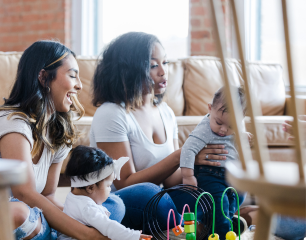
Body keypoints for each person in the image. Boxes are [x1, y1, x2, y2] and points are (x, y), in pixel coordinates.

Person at [0, 40, 124, 240]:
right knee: (23, 215)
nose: (80, 85)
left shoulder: (57, 130)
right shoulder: (12, 122)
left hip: (30, 216)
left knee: (112, 207)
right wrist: (88, 234)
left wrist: (85, 217)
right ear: (44, 77)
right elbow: (25, 194)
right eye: (73, 75)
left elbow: (47, 196)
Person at [89, 32, 230, 233]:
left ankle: (198, 224)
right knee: (151, 194)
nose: (163, 71)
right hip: (121, 202)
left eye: (165, 62)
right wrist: (180, 156)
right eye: (153, 65)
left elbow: (172, 180)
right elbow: (124, 184)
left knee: (216, 186)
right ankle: (195, 225)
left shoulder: (166, 112)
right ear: (127, 69)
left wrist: (201, 163)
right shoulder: (111, 113)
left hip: (163, 198)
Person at [180, 86, 249, 239]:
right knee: (219, 202)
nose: (223, 130)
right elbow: (188, 149)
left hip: (229, 174)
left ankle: (223, 224)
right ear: (210, 109)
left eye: (231, 126)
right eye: (218, 122)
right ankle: (223, 233)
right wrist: (188, 176)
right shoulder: (205, 129)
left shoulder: (230, 125)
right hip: (211, 175)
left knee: (239, 195)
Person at [58, 145, 152, 240]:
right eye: (108, 186)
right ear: (90, 188)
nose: (110, 189)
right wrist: (132, 235)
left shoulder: (73, 195)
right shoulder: (87, 208)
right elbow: (109, 227)